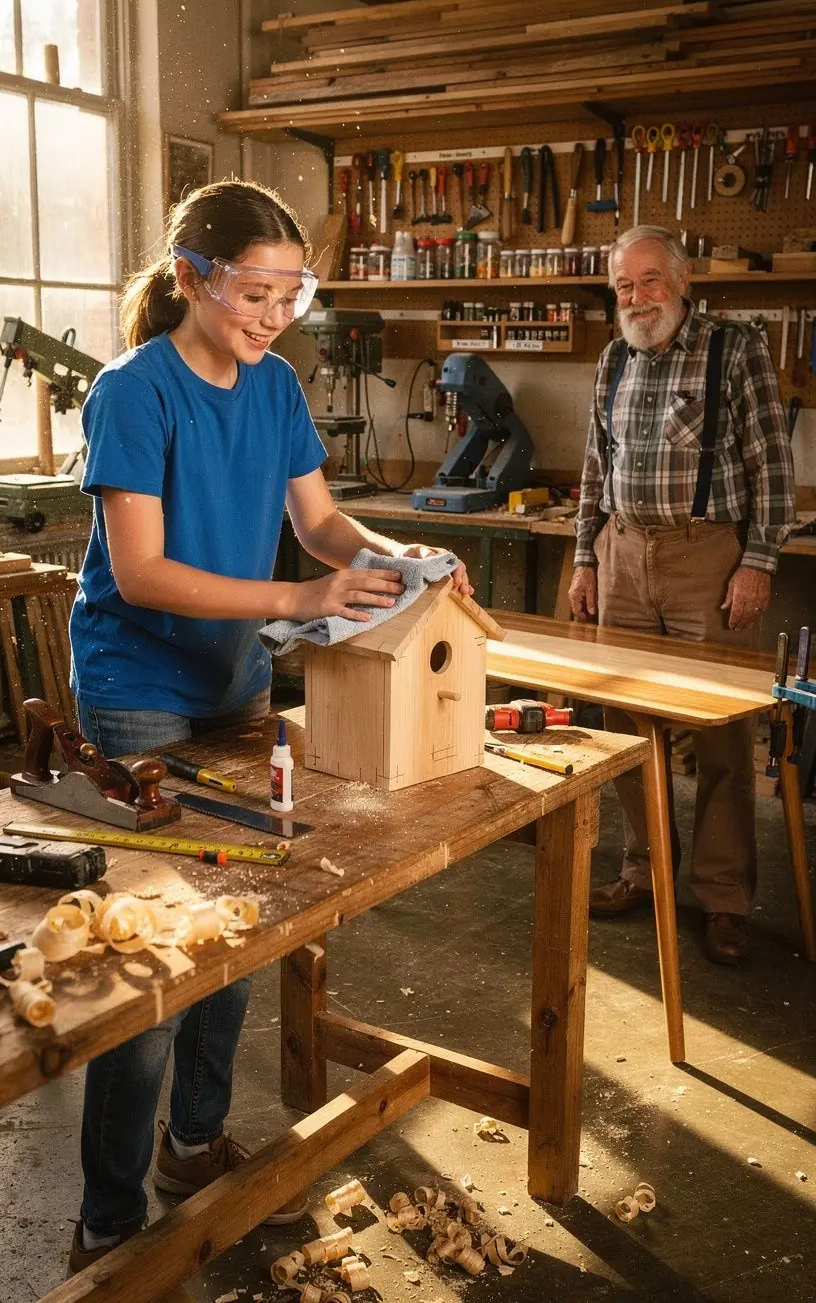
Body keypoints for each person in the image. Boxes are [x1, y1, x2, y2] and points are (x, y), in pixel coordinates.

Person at [68, 178, 471, 1275]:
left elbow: (321, 522)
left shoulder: (279, 386)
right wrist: (298, 597)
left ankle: (193, 1145)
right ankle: (109, 1215)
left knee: (242, 921)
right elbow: (142, 573)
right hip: (137, 687)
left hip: (235, 678)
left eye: (293, 295)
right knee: (153, 959)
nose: (275, 315)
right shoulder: (133, 391)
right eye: (255, 292)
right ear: (192, 277)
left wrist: (400, 559)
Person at [569, 225, 795, 966]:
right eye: (623, 286)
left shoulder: (735, 349)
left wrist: (757, 562)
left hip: (707, 558)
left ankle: (724, 897)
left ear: (683, 279)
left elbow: (773, 468)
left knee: (720, 731)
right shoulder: (613, 358)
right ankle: (645, 870)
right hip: (623, 555)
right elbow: (595, 466)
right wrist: (585, 558)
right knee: (628, 725)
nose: (637, 298)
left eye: (650, 280)